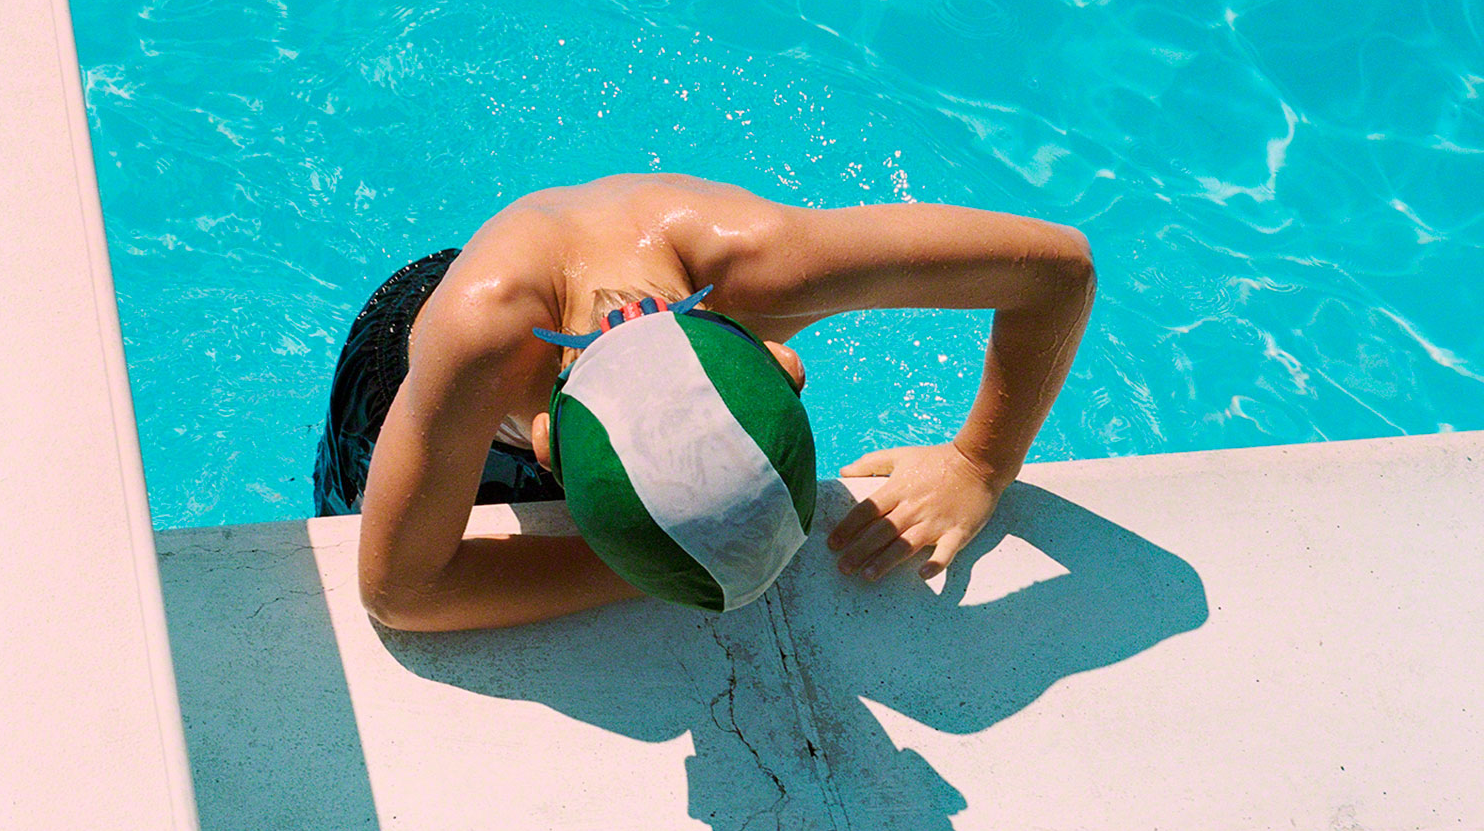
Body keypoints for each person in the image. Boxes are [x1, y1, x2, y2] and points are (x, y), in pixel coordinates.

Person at [313, 174, 1094, 632]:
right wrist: (648, 563)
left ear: (781, 362)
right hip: (412, 365)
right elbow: (398, 590)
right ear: (548, 443)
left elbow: (1058, 268)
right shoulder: (474, 347)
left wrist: (980, 461)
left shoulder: (771, 263)